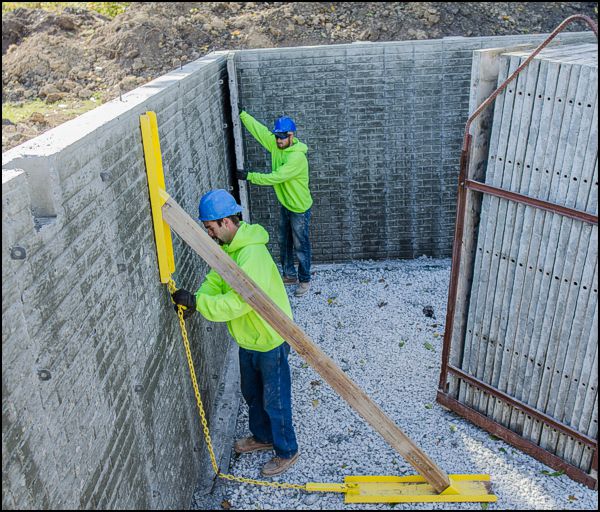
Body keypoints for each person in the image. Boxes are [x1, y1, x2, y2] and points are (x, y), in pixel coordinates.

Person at [171, 189, 300, 477]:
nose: (210, 234)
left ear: (225, 222)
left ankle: (287, 449)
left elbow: (239, 301)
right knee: (252, 393)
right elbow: (215, 278)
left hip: (269, 338)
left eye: (210, 228)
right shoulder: (231, 249)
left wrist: (199, 303)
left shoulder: (251, 254)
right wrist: (200, 297)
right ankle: (263, 437)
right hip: (248, 338)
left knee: (275, 399)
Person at [236, 111, 313, 297]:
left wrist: (249, 176)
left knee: (300, 245)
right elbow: (260, 131)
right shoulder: (276, 144)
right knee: (283, 241)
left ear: (291, 136)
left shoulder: (296, 158)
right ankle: (288, 274)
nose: (278, 141)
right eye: (277, 137)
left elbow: (275, 178)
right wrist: (242, 114)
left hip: (299, 209)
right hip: (286, 205)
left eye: (282, 138)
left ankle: (304, 280)